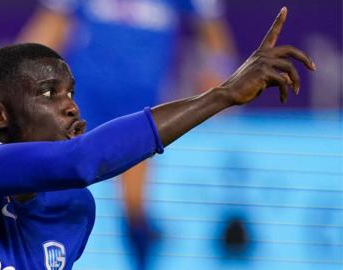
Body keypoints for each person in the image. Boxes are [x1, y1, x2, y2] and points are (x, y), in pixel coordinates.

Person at [0, 8, 314, 269]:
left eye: (71, 93)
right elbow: (80, 162)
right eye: (49, 94)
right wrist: (220, 95)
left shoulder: (71, 210)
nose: (70, 106)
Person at [18, 2, 236, 266]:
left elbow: (210, 26)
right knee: (53, 186)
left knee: (134, 204)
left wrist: (219, 74)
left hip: (140, 107)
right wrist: (17, 76)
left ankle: (142, 259)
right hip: (83, 101)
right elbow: (52, 23)